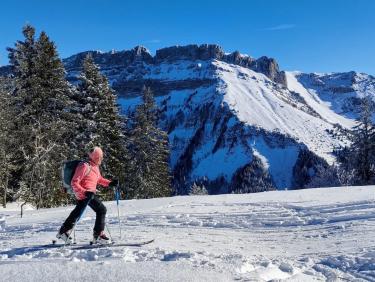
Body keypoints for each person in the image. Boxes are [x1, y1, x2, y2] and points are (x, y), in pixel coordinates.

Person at [56, 146, 118, 244]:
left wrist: (110, 183)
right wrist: (84, 191)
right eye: (99, 157)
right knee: (101, 209)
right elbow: (74, 182)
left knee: (78, 212)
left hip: (89, 194)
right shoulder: (84, 166)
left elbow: (99, 179)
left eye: (101, 157)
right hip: (84, 194)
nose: (101, 159)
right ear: (95, 157)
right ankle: (98, 235)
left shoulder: (95, 167)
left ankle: (63, 231)